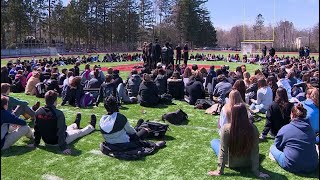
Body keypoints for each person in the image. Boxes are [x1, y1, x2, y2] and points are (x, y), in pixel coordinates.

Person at [209, 103, 269, 178]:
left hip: (231, 163)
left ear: (233, 114)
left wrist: (219, 171)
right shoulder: (253, 128)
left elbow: (223, 151)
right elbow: (255, 151)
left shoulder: (226, 129)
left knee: (214, 141)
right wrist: (256, 172)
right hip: (248, 162)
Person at [30, 90, 96, 154]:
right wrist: (63, 147)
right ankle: (91, 126)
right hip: (57, 142)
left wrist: (36, 143)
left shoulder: (38, 111)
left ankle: (75, 124)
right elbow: (60, 132)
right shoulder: (58, 114)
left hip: (47, 141)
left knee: (67, 128)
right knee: (78, 132)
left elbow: (37, 129)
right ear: (55, 101)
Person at [99, 96, 165, 154]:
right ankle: (155, 145)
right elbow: (132, 132)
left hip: (110, 144)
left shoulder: (102, 119)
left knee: (130, 130)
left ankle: (138, 126)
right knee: (145, 131)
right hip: (124, 144)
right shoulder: (120, 117)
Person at [269, 104, 318, 173]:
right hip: (312, 165)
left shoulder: (285, 129)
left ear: (292, 115)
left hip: (292, 165)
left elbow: (277, 145)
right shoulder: (311, 129)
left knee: (272, 147)